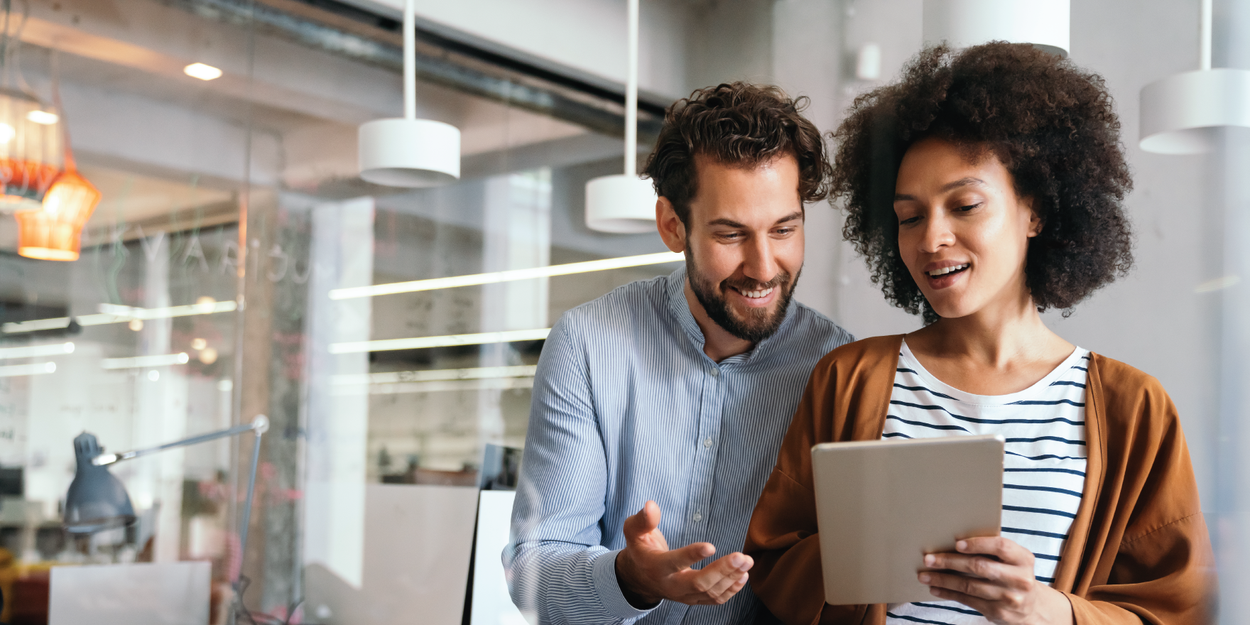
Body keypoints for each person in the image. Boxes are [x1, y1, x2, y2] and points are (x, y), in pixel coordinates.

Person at [745, 43, 1216, 625]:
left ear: (1036, 211)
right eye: (909, 217)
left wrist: (1052, 612)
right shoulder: (850, 379)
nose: (931, 239)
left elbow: (1179, 609)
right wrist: (867, 565)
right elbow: (771, 563)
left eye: (964, 205)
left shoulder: (1134, 410)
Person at [503, 82, 855, 624]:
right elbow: (531, 574)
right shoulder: (588, 346)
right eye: (731, 234)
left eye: (784, 229)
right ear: (673, 226)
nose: (763, 267)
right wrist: (631, 579)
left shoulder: (838, 368)